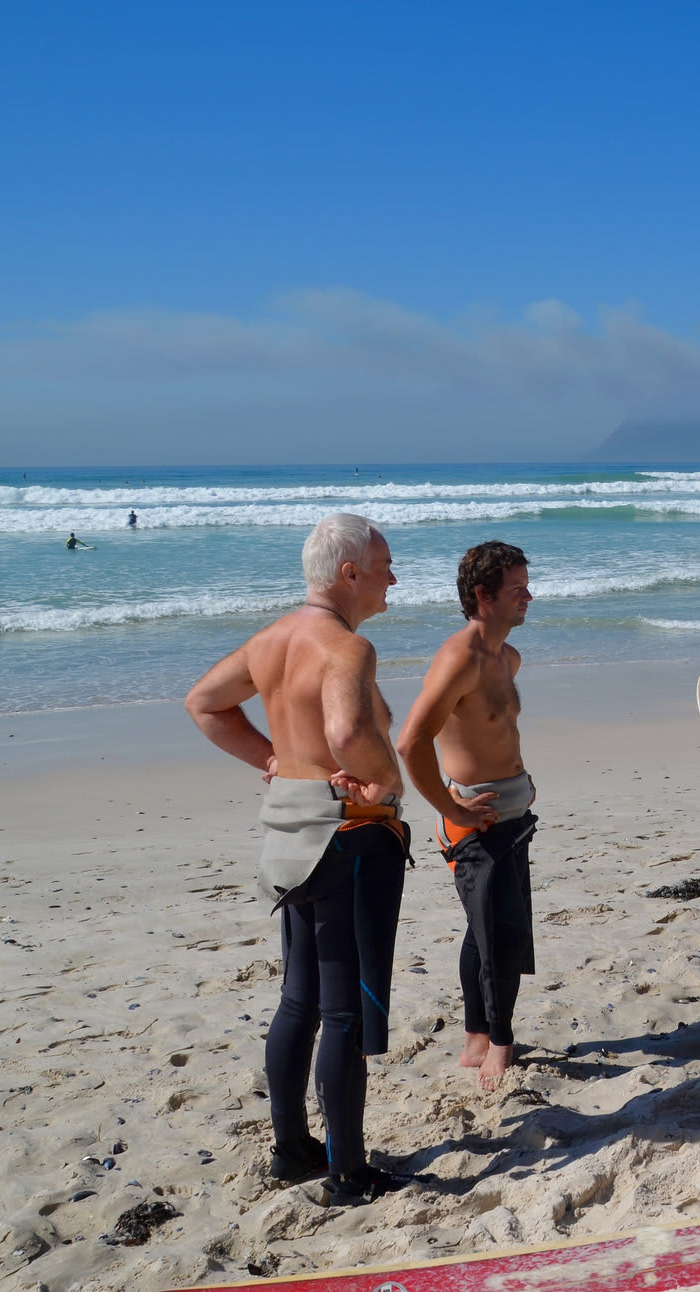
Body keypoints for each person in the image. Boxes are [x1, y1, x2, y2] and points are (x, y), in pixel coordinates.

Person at [184, 513, 413, 1205]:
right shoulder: (345, 647)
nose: (392, 577)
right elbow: (346, 731)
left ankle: (291, 1149)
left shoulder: (271, 640)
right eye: (384, 565)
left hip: (289, 835)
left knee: (299, 1000)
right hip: (345, 840)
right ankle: (347, 1173)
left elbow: (204, 703)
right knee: (342, 1013)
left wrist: (275, 759)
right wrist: (386, 780)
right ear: (350, 573)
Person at [396, 542, 538, 1091]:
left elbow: (499, 735)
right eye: (517, 589)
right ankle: (501, 1041)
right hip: (474, 822)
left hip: (512, 814)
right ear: (483, 596)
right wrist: (449, 807)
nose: (529, 597)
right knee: (499, 935)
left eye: (526, 586)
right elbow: (411, 742)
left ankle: (477, 1032)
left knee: (486, 932)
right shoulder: (460, 658)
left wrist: (521, 786)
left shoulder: (509, 657)